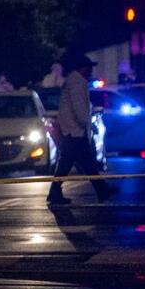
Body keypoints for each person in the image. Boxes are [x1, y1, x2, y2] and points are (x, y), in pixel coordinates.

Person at [47, 55, 115, 206]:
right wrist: (85, 122)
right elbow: (79, 107)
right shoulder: (77, 82)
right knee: (68, 163)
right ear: (82, 68)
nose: (91, 70)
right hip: (75, 131)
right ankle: (55, 192)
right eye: (89, 67)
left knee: (84, 162)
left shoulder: (73, 81)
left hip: (74, 130)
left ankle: (102, 190)